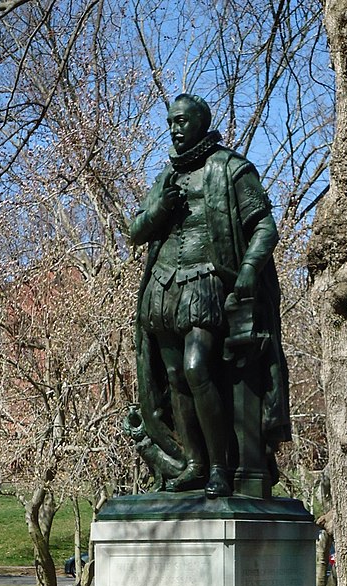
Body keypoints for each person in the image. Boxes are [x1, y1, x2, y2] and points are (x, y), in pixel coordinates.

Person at [129, 93, 290, 499]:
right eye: (170, 122)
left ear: (201, 122)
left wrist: (251, 269)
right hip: (163, 286)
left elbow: (264, 227)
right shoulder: (167, 177)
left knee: (197, 366)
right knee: (173, 378)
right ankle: (195, 464)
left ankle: (221, 467)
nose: (175, 129)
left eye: (182, 121)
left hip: (206, 282)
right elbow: (135, 232)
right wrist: (159, 210)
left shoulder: (232, 169)